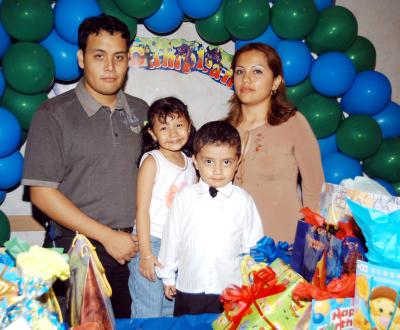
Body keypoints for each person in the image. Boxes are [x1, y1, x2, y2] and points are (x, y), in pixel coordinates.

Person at [21, 14, 148, 318]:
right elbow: (41, 193)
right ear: (81, 58)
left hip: (135, 249)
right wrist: (107, 236)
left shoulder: (142, 111)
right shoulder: (53, 115)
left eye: (118, 57)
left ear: (127, 60)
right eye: (99, 56)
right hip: (78, 249)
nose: (109, 67)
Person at [156, 121, 264, 316]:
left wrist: (253, 279)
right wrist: (167, 276)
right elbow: (172, 238)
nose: (217, 171)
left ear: (237, 163)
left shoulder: (244, 201)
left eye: (226, 162)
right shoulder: (184, 198)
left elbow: (253, 244)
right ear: (195, 161)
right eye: (208, 162)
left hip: (231, 290)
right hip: (190, 287)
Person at [226, 42, 324, 243]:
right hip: (233, 244)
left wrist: (311, 236)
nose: (246, 79)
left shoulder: (293, 123)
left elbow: (314, 185)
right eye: (240, 71)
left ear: (276, 82)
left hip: (283, 243)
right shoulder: (223, 130)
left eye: (257, 72)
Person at [128, 96, 197, 318]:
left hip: (175, 245)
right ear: (152, 133)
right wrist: (146, 254)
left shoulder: (191, 164)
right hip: (152, 242)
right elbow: (142, 209)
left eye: (179, 125)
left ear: (189, 126)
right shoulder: (152, 161)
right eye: (164, 128)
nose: (173, 133)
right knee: (148, 308)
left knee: (169, 308)